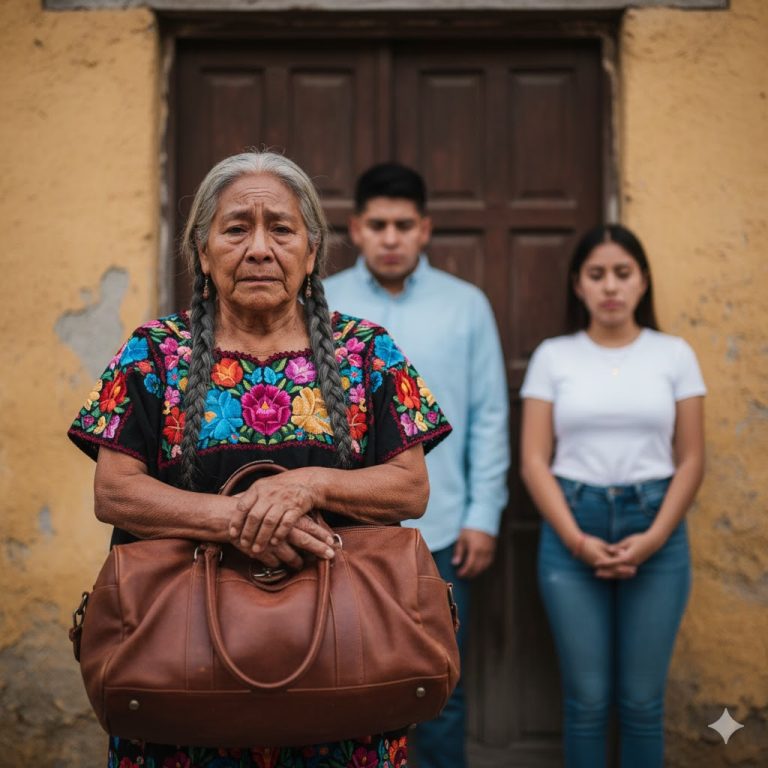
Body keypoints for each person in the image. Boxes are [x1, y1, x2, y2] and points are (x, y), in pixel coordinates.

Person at [68, 151, 452, 768]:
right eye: (235, 228)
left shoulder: (368, 353)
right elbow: (114, 494)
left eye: (280, 228)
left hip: (345, 679)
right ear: (202, 249)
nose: (259, 248)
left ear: (311, 249)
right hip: (180, 686)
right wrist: (242, 521)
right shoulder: (153, 354)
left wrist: (308, 486)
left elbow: (410, 489)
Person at [324, 163, 509, 768]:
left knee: (438, 688)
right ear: (355, 228)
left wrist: (483, 515)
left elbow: (488, 414)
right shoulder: (323, 305)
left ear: (425, 229)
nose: (391, 237)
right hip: (342, 534)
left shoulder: (466, 305)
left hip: (446, 533)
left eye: (404, 224)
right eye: (378, 224)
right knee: (347, 685)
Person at [519, 224, 706, 768]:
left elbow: (691, 459)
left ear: (643, 281)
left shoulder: (674, 355)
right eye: (596, 274)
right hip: (571, 527)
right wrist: (577, 541)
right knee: (587, 702)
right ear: (577, 284)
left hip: (658, 529)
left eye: (622, 274)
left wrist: (654, 538)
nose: (610, 287)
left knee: (643, 703)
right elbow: (534, 461)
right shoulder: (555, 357)